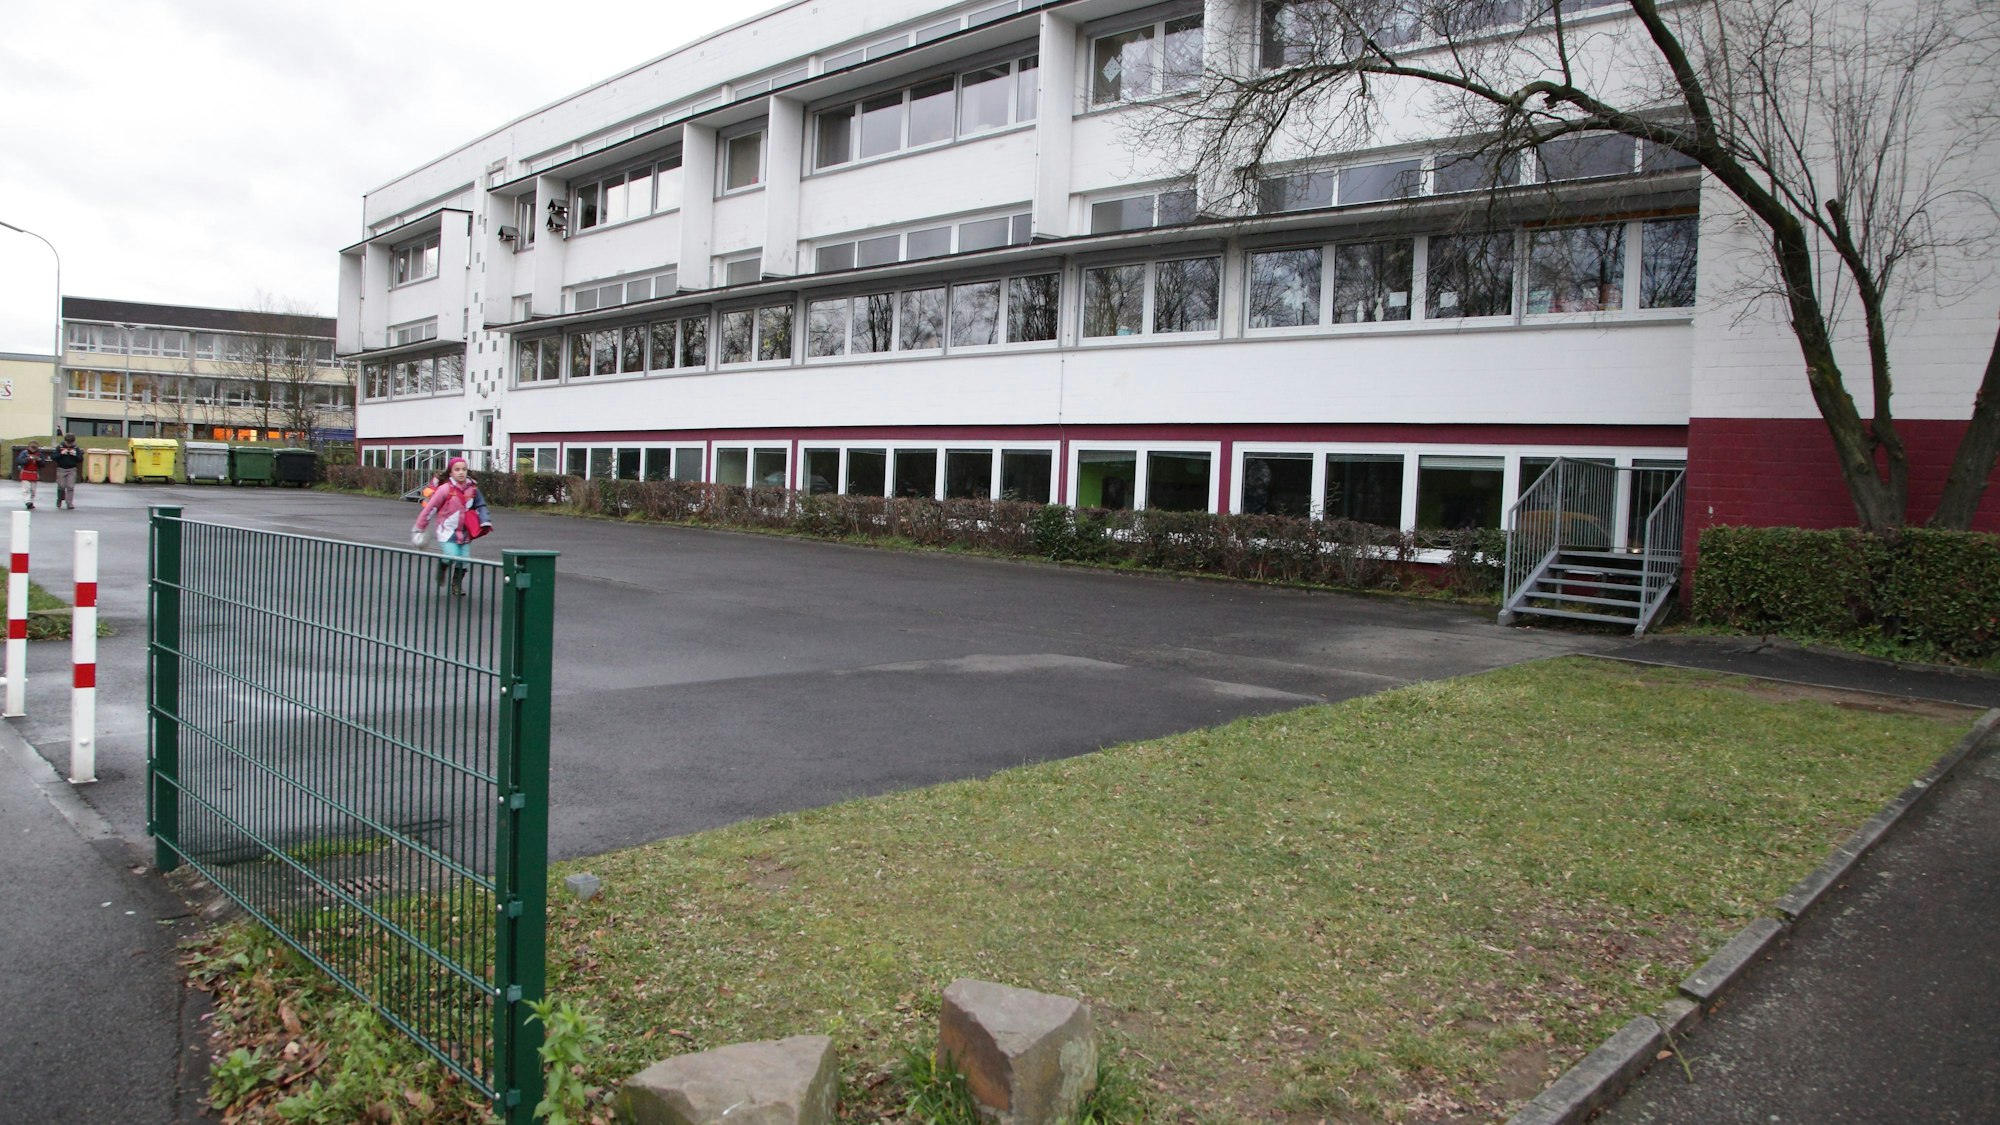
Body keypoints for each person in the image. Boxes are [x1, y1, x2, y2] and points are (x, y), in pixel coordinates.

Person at [411, 457, 491, 596]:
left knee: (464, 560)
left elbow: (481, 505)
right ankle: (443, 566)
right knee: (452, 555)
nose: (461, 472)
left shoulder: (472, 489)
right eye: (457, 469)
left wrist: (485, 520)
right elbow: (430, 509)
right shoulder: (445, 489)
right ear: (450, 472)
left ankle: (456, 585)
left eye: (464, 469)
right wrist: (419, 528)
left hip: (465, 532)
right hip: (447, 531)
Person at [50, 435, 83, 509]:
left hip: (72, 469)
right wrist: (61, 454)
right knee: (61, 486)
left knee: (70, 486)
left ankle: (69, 503)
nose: (69, 445)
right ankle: (60, 498)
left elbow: (80, 459)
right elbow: (53, 457)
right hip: (61, 469)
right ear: (65, 441)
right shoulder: (60, 447)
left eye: (71, 443)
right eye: (68, 443)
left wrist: (75, 455)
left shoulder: (76, 448)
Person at [14, 441, 44, 510]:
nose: (33, 450)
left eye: (35, 448)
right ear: (28, 447)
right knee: (26, 489)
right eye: (31, 448)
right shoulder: (24, 453)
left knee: (33, 490)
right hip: (25, 472)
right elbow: (19, 460)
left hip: (34, 473)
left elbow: (43, 464)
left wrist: (39, 460)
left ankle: (31, 502)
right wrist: (27, 459)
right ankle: (27, 502)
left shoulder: (39, 454)